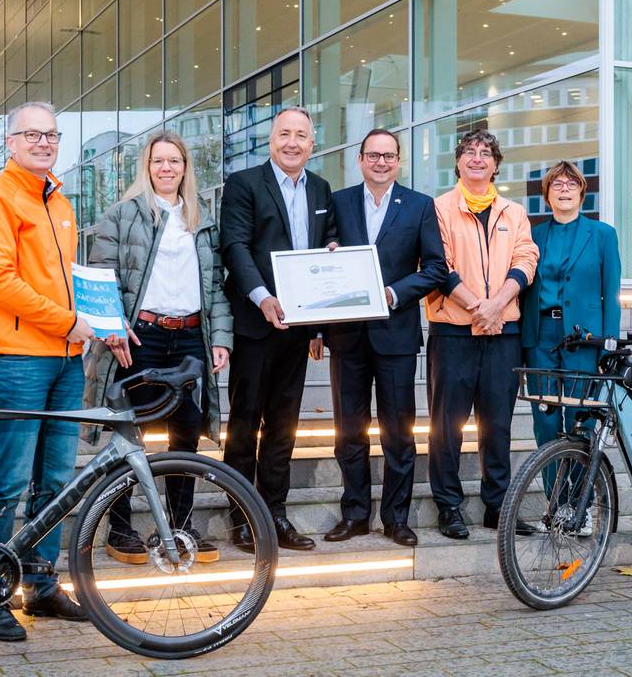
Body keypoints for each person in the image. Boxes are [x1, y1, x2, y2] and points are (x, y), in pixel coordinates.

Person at [0, 100, 94, 641]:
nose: (44, 142)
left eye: (52, 134)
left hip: (66, 362)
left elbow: (67, 279)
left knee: (56, 481)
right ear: (10, 143)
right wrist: (68, 321)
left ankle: (40, 585)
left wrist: (98, 321)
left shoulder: (59, 202)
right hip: (18, 359)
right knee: (10, 478)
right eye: (32, 134)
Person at [84, 131, 233, 565]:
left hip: (189, 337)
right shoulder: (122, 215)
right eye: (157, 161)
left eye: (174, 161)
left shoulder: (202, 220)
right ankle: (120, 526)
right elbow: (100, 277)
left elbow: (217, 289)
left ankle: (182, 526)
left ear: (186, 168)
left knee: (185, 435)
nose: (166, 168)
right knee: (130, 432)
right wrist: (112, 329)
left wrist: (220, 340)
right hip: (138, 338)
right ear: (146, 168)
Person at [219, 106, 338, 552]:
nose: (292, 142)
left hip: (299, 328)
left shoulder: (321, 188)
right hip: (254, 323)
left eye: (301, 136)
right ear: (271, 139)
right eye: (284, 134)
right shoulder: (244, 184)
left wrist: (321, 323)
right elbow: (235, 246)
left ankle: (275, 515)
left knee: (284, 426)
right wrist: (261, 296)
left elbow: (329, 246)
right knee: (245, 421)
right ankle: (240, 517)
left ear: (312, 143)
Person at [320, 129, 446, 548]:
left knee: (398, 432)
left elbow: (435, 269)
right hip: (347, 336)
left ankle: (396, 518)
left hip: (395, 335)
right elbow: (323, 260)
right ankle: (354, 515)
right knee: (348, 430)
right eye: (372, 155)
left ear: (399, 161)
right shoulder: (338, 202)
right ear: (359, 159)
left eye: (388, 156)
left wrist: (392, 293)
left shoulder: (419, 205)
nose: (380, 162)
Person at [424, 129, 539, 540]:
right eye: (469, 152)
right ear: (458, 162)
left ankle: (497, 507)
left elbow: (527, 257)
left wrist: (498, 305)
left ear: (495, 164)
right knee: (446, 425)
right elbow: (439, 265)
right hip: (453, 332)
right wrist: (479, 308)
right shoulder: (437, 209)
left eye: (485, 152)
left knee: (498, 425)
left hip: (502, 332)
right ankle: (449, 507)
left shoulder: (514, 212)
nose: (477, 158)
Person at [521, 160, 621, 532]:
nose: (564, 189)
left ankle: (577, 507)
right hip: (541, 338)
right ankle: (556, 504)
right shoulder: (533, 235)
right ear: (547, 195)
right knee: (545, 423)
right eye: (556, 184)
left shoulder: (603, 235)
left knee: (579, 423)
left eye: (571, 184)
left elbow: (610, 294)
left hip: (585, 342)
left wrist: (608, 347)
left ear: (582, 192)